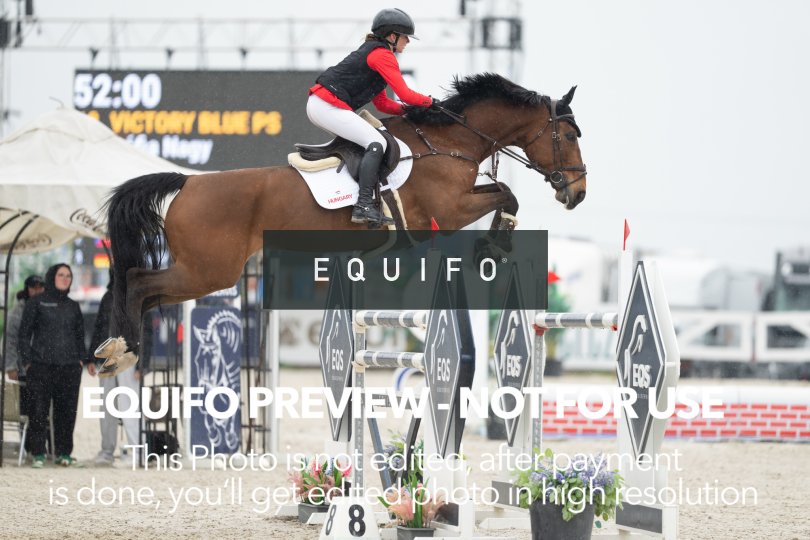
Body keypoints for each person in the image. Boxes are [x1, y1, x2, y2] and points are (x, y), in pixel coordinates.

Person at [307, 7, 437, 226]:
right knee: (377, 143)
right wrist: (430, 103)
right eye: (405, 36)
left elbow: (382, 104)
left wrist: (409, 111)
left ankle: (360, 201)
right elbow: (405, 94)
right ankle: (364, 205)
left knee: (370, 144)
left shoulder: (376, 54)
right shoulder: (383, 55)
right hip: (326, 106)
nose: (408, 41)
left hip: (324, 105)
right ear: (392, 36)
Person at [17, 264, 86, 468]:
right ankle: (38, 453)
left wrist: (80, 361)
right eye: (61, 275)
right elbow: (23, 335)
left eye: (68, 276)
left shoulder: (74, 306)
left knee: (67, 413)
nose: (65, 278)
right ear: (51, 277)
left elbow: (80, 336)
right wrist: (27, 362)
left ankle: (64, 453)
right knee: (38, 411)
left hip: (69, 368)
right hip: (40, 367)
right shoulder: (36, 303)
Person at [86, 279, 142, 466]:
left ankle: (137, 450)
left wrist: (143, 364)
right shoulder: (108, 297)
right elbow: (99, 327)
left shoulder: (138, 296)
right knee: (107, 405)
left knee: (130, 404)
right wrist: (91, 357)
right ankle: (107, 451)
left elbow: (146, 330)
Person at [4, 275, 45, 454]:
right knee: (25, 408)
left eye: (40, 287)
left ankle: (41, 447)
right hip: (22, 369)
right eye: (33, 287)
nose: (37, 290)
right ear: (27, 289)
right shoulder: (18, 311)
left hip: (44, 367)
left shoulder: (46, 306)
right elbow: (10, 340)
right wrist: (11, 366)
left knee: (43, 408)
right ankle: (27, 446)